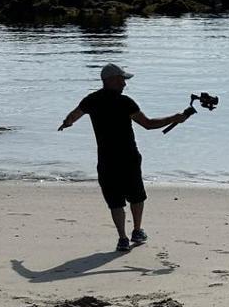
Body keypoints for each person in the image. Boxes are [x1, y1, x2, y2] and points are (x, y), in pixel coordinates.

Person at [58, 63, 192, 251]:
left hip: (106, 159)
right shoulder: (125, 102)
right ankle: (136, 231)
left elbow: (73, 116)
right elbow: (148, 124)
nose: (124, 84)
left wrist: (66, 123)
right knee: (136, 195)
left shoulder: (91, 100)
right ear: (111, 80)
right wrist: (174, 118)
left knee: (114, 200)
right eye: (122, 80)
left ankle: (122, 238)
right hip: (128, 157)